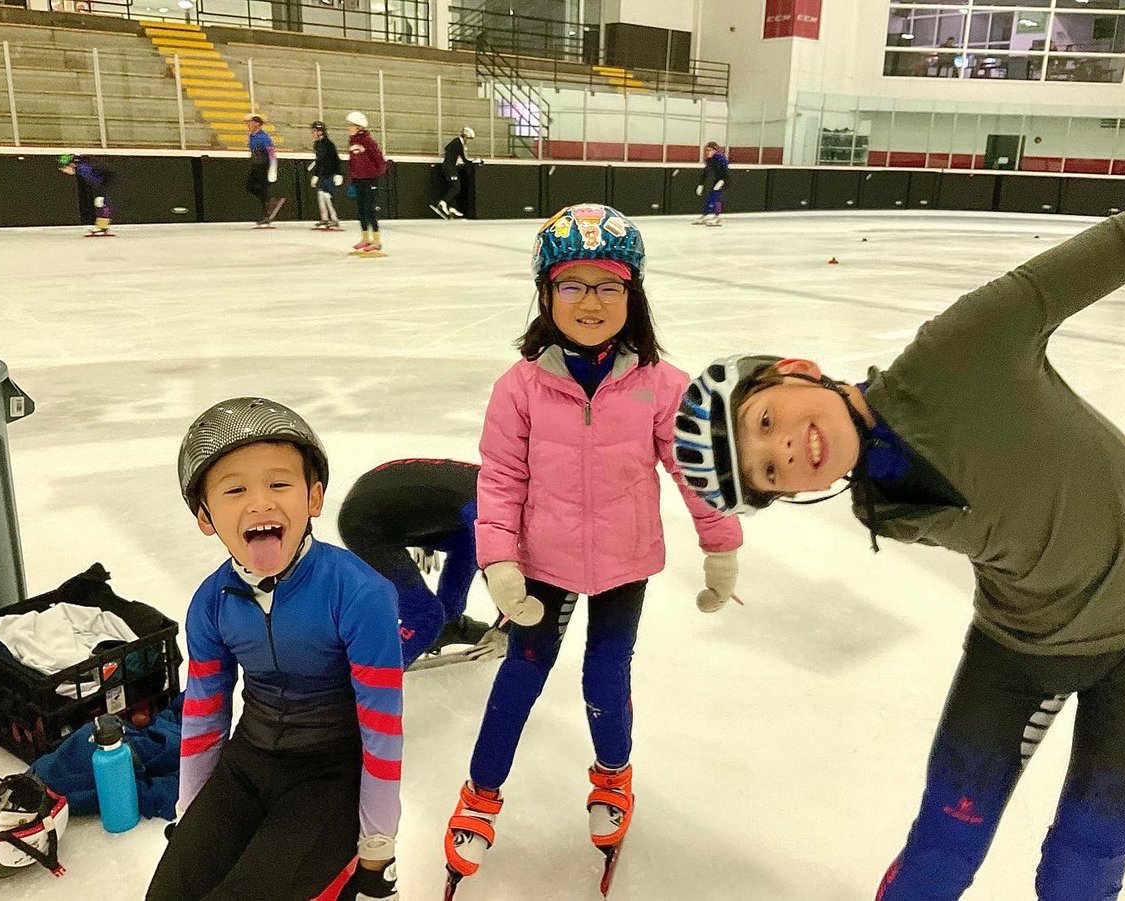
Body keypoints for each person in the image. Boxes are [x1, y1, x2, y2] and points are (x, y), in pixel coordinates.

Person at [675, 182, 1125, 899]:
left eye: (765, 422)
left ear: (794, 370)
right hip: (1018, 650)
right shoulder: (878, 506)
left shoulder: (961, 348)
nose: (785, 450)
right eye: (768, 473)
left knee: (1081, 872)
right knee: (939, 854)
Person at [442, 203, 744, 892]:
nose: (590, 301)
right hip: (542, 562)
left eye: (609, 284)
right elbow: (501, 478)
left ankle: (613, 777)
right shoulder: (520, 387)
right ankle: (482, 791)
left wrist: (720, 544)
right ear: (546, 293)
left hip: (623, 562)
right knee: (521, 674)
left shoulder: (661, 385)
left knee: (605, 676)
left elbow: (695, 469)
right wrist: (500, 561)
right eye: (572, 285)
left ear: (633, 294)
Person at [147, 398, 403, 901]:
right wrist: (190, 815)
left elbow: (382, 726)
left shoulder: (360, 594)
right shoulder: (212, 602)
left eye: (279, 484)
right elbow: (204, 715)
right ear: (205, 516)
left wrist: (378, 841)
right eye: (235, 489)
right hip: (248, 764)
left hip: (329, 775)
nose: (259, 503)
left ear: (314, 497)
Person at [337, 458, 504, 668]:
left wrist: (422, 534)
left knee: (470, 545)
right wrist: (509, 627)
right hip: (364, 526)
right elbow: (498, 567)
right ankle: (372, 670)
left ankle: (447, 624)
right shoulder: (488, 506)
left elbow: (433, 488)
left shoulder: (498, 482)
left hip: (391, 505)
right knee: (425, 615)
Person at [346, 111, 388, 253]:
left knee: (370, 210)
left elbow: (379, 160)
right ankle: (365, 238)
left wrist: (375, 175)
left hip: (370, 180)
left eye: (351, 125)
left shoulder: (368, 141)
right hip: (359, 180)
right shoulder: (352, 142)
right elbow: (353, 163)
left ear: (358, 127)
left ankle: (376, 241)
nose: (349, 128)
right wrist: (353, 179)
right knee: (361, 210)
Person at [430, 126, 481, 220]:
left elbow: (446, 148)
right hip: (450, 168)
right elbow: (465, 159)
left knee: (452, 187)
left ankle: (452, 208)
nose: (467, 141)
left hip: (449, 166)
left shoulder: (455, 141)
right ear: (465, 136)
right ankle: (442, 203)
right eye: (468, 139)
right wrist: (475, 161)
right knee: (456, 187)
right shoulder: (458, 143)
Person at [58, 153, 116, 236]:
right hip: (106, 183)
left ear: (71, 165)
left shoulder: (83, 169)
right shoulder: (83, 167)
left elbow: (100, 180)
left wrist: (101, 193)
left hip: (108, 183)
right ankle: (102, 227)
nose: (64, 171)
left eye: (64, 168)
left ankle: (102, 228)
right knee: (101, 203)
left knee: (102, 203)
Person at [244, 114, 284, 228]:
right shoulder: (252, 136)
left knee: (262, 190)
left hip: (263, 166)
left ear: (257, 124)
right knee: (250, 187)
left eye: (251, 122)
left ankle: (266, 216)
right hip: (255, 166)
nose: (248, 124)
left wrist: (273, 168)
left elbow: (271, 153)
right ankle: (271, 202)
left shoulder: (264, 137)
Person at [309, 120, 343, 231]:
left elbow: (336, 159)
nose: (313, 133)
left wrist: (338, 173)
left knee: (328, 196)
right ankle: (324, 219)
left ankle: (334, 219)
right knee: (321, 194)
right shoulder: (317, 144)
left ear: (320, 132)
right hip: (322, 174)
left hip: (330, 173)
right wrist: (316, 175)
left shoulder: (328, 144)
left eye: (314, 131)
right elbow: (319, 161)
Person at [693, 141, 729, 226]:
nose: (707, 152)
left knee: (717, 198)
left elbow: (726, 172)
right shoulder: (709, 160)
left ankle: (717, 217)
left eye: (710, 150)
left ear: (715, 151)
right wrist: (701, 184)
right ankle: (704, 215)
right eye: (706, 150)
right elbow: (705, 173)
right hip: (717, 180)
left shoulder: (720, 159)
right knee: (709, 198)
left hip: (724, 180)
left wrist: (722, 181)